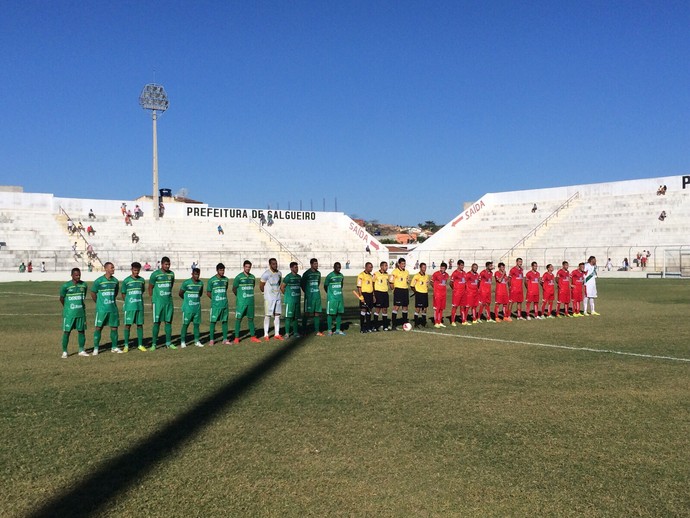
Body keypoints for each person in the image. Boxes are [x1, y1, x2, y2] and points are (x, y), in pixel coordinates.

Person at [90, 261, 121, 355]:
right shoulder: (99, 281)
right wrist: (99, 303)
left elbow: (115, 292)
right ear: (106, 268)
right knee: (98, 328)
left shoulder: (115, 281)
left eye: (113, 267)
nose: (113, 269)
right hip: (102, 309)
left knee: (114, 328)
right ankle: (96, 348)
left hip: (112, 308)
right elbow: (93, 293)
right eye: (111, 268)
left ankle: (114, 347)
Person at [59, 267, 89, 358]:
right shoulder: (66, 286)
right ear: (72, 275)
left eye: (79, 274)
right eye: (76, 275)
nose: (78, 276)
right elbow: (61, 298)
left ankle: (81, 350)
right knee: (67, 332)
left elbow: (83, 296)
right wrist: (67, 307)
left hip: (80, 313)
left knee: (81, 331)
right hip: (69, 314)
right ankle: (64, 352)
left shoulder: (84, 285)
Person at [149, 256, 176, 350]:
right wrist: (152, 301)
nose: (167, 266)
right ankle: (153, 344)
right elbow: (150, 287)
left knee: (168, 322)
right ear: (162, 264)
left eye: (169, 264)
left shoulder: (171, 274)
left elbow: (170, 285)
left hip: (168, 302)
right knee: (157, 323)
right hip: (158, 302)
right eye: (166, 264)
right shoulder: (155, 274)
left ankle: (168, 343)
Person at [233, 260, 262, 343]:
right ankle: (236, 338)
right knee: (238, 319)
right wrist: (240, 297)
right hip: (241, 303)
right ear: (243, 267)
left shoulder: (252, 277)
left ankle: (253, 336)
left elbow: (252, 287)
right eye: (246, 267)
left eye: (249, 267)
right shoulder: (238, 277)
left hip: (250, 302)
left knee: (251, 319)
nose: (248, 268)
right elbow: (234, 289)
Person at [121, 262, 146, 352]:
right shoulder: (126, 281)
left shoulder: (142, 280)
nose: (136, 272)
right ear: (131, 269)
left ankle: (140, 344)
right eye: (135, 270)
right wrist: (127, 302)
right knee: (127, 325)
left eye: (138, 270)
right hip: (130, 307)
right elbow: (123, 293)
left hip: (139, 306)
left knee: (139, 325)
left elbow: (142, 291)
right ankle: (126, 345)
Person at [179, 267, 204, 348]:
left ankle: (197, 341)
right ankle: (183, 341)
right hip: (188, 308)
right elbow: (180, 293)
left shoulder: (200, 283)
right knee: (185, 325)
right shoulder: (186, 283)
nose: (197, 276)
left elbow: (200, 294)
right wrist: (187, 300)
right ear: (192, 274)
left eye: (198, 274)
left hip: (197, 308)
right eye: (195, 274)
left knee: (196, 325)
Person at [260, 258, 283, 341]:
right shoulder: (266, 274)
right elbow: (261, 285)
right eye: (273, 264)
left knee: (277, 315)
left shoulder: (279, 273)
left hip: (277, 297)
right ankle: (266, 334)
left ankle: (277, 333)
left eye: (276, 263)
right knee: (267, 315)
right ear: (270, 265)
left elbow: (279, 283)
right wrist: (265, 294)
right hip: (269, 298)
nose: (275, 265)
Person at [301, 258, 323, 336]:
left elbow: (318, 283)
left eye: (317, 264)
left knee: (316, 313)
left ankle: (317, 331)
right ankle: (304, 330)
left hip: (317, 296)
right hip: (309, 297)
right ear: (311, 264)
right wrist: (307, 292)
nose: (316, 265)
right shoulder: (306, 273)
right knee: (307, 313)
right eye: (315, 264)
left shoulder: (318, 273)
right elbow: (302, 284)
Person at [280, 262, 302, 339]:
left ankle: (295, 332)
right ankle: (287, 333)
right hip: (290, 301)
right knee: (288, 317)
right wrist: (287, 295)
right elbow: (282, 287)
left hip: (297, 300)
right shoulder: (288, 277)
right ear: (291, 268)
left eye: (297, 267)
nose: (297, 268)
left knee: (295, 317)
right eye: (295, 267)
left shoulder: (299, 277)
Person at [324, 262, 346, 335]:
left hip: (339, 298)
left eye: (339, 267)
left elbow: (341, 285)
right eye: (337, 267)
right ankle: (330, 330)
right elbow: (325, 286)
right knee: (330, 314)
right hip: (332, 298)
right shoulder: (330, 276)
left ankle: (338, 329)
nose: (338, 269)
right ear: (334, 267)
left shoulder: (341, 276)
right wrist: (330, 293)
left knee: (339, 313)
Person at [389, 258, 410, 330]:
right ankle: (394, 324)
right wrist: (394, 290)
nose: (404, 265)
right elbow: (391, 283)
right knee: (396, 307)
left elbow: (407, 280)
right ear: (399, 264)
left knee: (405, 307)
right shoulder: (395, 272)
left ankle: (405, 324)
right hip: (398, 290)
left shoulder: (407, 272)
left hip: (405, 291)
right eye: (402, 264)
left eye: (404, 263)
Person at [410, 262, 429, 327]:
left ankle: (424, 323)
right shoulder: (416, 276)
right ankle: (416, 323)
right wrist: (416, 292)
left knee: (425, 309)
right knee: (418, 309)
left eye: (425, 267)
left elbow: (426, 285)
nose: (424, 269)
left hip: (425, 294)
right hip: (419, 294)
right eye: (423, 267)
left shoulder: (426, 276)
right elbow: (412, 286)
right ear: (420, 268)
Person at [356, 262, 375, 333]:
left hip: (370, 295)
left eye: (372, 267)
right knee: (363, 310)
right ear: (366, 267)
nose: (371, 268)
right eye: (370, 267)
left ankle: (368, 326)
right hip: (364, 294)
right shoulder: (361, 275)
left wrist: (373, 295)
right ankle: (362, 327)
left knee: (369, 310)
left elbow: (372, 286)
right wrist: (361, 296)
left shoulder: (371, 275)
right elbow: (359, 287)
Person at [372, 261, 391, 331]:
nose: (387, 267)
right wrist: (373, 294)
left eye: (387, 265)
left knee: (385, 309)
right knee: (378, 309)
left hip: (385, 293)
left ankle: (385, 326)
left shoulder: (387, 274)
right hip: (378, 293)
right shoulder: (376, 274)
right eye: (385, 266)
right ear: (381, 266)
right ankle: (375, 326)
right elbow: (372, 283)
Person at [449, 260, 468, 326]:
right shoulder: (455, 273)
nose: (462, 267)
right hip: (457, 293)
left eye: (463, 265)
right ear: (458, 265)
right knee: (455, 306)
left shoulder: (464, 273)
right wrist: (455, 289)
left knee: (463, 307)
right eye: (461, 265)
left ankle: (463, 321)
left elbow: (465, 282)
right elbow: (450, 283)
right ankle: (453, 321)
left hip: (463, 293)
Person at [431, 261, 449, 328]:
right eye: (441, 267)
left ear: (445, 268)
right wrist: (436, 289)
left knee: (441, 308)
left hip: (443, 294)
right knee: (437, 308)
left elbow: (444, 283)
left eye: (444, 268)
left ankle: (439, 321)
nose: (442, 269)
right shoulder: (436, 274)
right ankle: (436, 322)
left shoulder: (447, 275)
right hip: (437, 293)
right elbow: (431, 282)